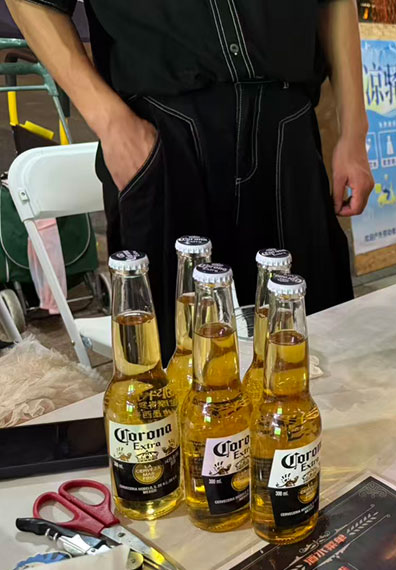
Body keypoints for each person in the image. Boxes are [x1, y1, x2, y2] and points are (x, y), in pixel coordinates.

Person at [6, 0, 375, 361]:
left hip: (287, 130)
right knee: (176, 359)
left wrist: (354, 131)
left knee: (316, 345)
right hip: (165, 133)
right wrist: (111, 121)